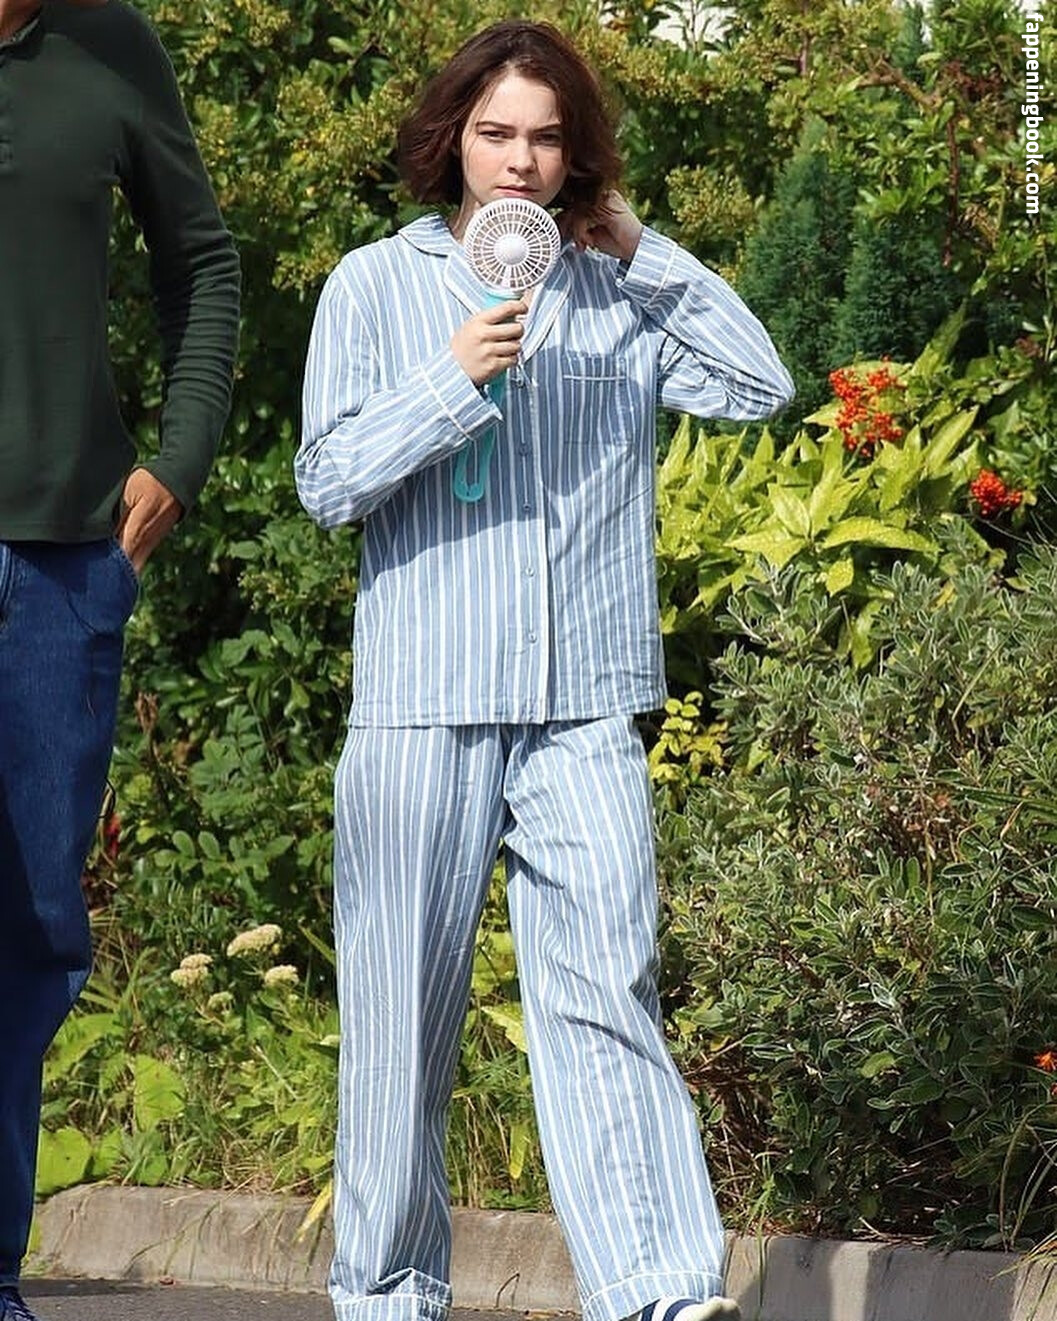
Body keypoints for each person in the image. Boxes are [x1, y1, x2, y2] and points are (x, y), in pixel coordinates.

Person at [296, 20, 792, 1321]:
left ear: (575, 155)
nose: (519, 160)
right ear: (452, 140)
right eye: (496, 133)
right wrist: (447, 383)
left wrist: (640, 248)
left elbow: (758, 385)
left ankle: (656, 1291)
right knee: (399, 1027)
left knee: (605, 996)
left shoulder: (616, 292)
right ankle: (387, 1297)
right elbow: (327, 481)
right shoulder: (371, 285)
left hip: (583, 707)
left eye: (546, 138)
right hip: (422, 705)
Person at [0, 0, 240, 1316]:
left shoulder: (113, 47)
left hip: (60, 569)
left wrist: (180, 455)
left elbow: (201, 264)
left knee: (33, 928)